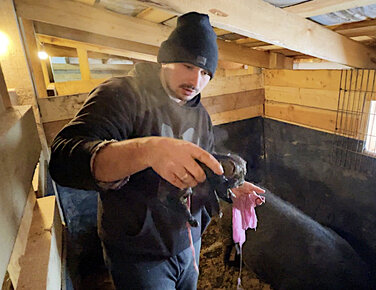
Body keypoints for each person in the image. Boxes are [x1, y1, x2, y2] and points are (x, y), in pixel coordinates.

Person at [49, 11, 265, 289]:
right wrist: (147, 149)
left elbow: (201, 168)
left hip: (189, 241)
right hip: (140, 251)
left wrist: (229, 186)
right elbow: (64, 159)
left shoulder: (200, 115)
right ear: (165, 59)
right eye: (187, 65)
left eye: (205, 72)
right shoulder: (122, 95)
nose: (196, 81)